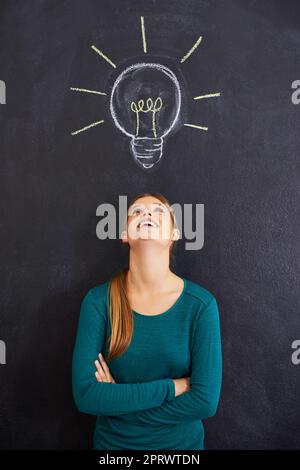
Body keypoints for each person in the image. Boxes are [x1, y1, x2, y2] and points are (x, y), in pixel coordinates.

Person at [71, 192, 222, 450]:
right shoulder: (98, 302)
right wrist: (173, 387)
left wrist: (118, 404)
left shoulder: (201, 305)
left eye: (159, 211)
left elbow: (204, 402)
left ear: (175, 234)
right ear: (124, 235)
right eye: (137, 212)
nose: (147, 214)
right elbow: (86, 395)